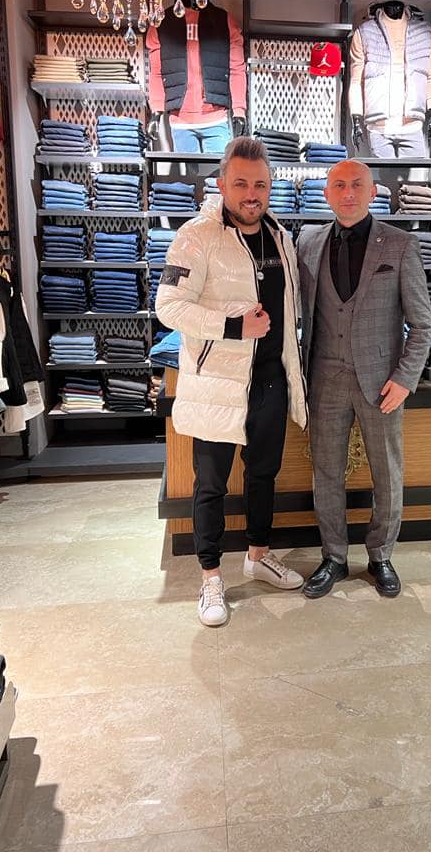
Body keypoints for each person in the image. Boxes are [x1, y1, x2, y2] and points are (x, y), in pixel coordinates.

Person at [156, 136, 308, 627]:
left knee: (264, 474)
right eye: (241, 183)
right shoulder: (196, 236)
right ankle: (210, 578)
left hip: (270, 381)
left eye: (260, 184)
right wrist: (232, 326)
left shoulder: (280, 236)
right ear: (221, 184)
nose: (251, 194)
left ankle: (258, 556)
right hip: (218, 385)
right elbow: (168, 307)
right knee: (211, 485)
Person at [298, 160, 431, 598]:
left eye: (357, 184)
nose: (348, 192)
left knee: (386, 471)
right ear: (326, 193)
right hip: (323, 377)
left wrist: (405, 378)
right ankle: (334, 557)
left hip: (382, 382)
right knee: (326, 471)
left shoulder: (400, 244)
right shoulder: (307, 242)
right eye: (339, 185)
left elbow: (422, 324)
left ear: (373, 192)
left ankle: (381, 555)